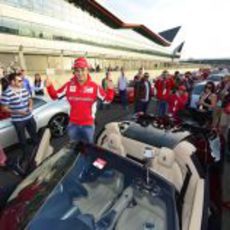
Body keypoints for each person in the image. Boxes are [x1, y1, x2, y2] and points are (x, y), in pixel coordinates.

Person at [46, 57, 114, 144]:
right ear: (74, 72)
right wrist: (49, 86)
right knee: (74, 148)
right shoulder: (68, 85)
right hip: (73, 125)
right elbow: (55, 96)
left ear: (87, 70)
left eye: (82, 70)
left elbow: (106, 101)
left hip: (88, 126)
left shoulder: (95, 87)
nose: (80, 73)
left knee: (88, 149)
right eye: (77, 70)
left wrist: (110, 90)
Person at [1, 73, 38, 169]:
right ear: (12, 82)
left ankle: (38, 151)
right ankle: (27, 156)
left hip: (29, 117)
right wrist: (18, 112)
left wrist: (30, 106)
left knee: (34, 134)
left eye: (21, 80)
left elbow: (30, 99)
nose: (22, 82)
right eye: (19, 80)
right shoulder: (6, 93)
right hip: (18, 120)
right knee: (22, 139)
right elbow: (4, 108)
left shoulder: (24, 89)